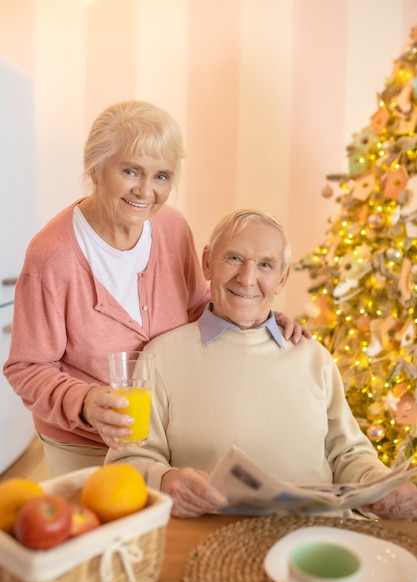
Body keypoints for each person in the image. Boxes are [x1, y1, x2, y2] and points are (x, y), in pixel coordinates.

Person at [3, 101, 305, 478]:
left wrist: (261, 319)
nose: (146, 191)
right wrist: (85, 402)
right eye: (131, 171)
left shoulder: (172, 229)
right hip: (87, 445)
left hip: (167, 433)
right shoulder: (52, 257)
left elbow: (198, 306)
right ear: (96, 168)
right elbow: (27, 367)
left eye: (162, 176)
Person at [106, 209, 417, 521]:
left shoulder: (314, 357)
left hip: (316, 534)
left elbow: (349, 454)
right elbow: (127, 460)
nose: (247, 278)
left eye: (265, 265)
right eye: (233, 258)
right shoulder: (161, 356)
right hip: (211, 541)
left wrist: (379, 485)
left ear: (282, 278)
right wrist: (163, 480)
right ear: (207, 262)